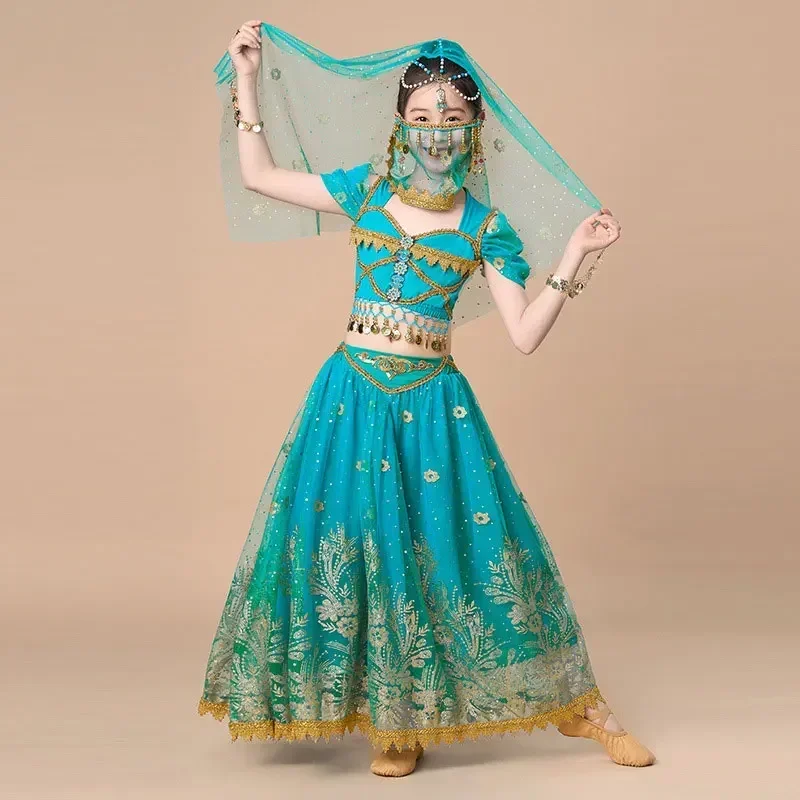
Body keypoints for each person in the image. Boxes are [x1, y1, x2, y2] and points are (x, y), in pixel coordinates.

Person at [197, 20, 656, 777]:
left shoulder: (486, 228)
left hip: (431, 408)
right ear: (400, 125)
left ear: (474, 129)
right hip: (349, 396)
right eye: (421, 118)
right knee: (349, 547)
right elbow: (260, 176)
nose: (436, 134)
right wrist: (247, 79)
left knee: (456, 553)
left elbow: (524, 335)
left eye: (451, 120)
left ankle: (575, 708)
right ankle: (393, 724)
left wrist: (573, 257)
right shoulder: (366, 191)